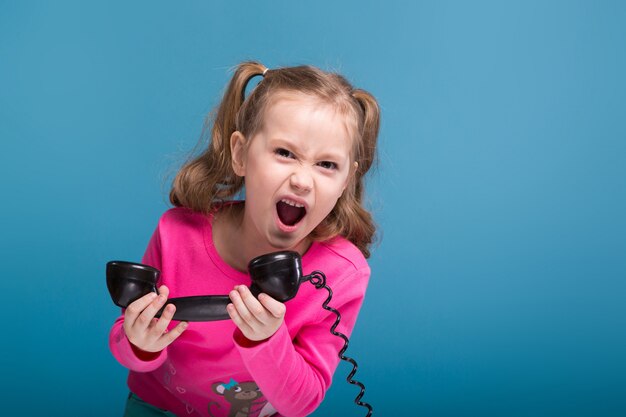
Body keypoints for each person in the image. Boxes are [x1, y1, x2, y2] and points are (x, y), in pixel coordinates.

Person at [109, 61, 380, 417]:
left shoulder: (342, 273)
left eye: (327, 165)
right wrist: (139, 342)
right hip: (159, 407)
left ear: (346, 180)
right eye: (285, 153)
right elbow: (124, 340)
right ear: (240, 154)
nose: (302, 180)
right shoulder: (176, 233)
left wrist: (266, 339)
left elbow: (302, 402)